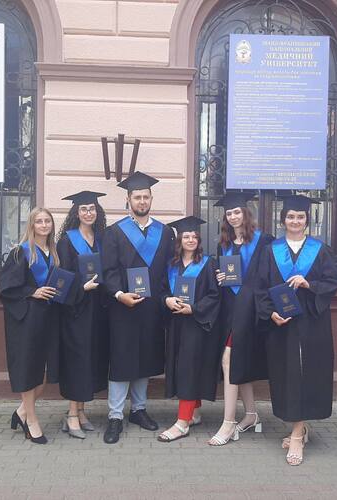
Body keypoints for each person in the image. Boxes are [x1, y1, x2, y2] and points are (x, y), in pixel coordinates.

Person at [256, 194, 337, 465]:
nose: (295, 221)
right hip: (282, 323)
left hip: (311, 322)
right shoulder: (270, 251)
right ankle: (299, 427)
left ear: (307, 220)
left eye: (300, 217)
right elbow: (259, 287)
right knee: (287, 373)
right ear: (283, 220)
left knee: (307, 372)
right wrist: (270, 313)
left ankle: (296, 434)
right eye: (291, 216)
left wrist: (309, 284)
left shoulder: (320, 249)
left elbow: (333, 281)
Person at [101, 171, 174, 444]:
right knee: (121, 359)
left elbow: (168, 271)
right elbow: (108, 270)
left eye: (146, 197)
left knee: (145, 358)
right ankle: (115, 416)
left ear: (151, 199)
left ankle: (139, 410)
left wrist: (167, 297)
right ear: (128, 200)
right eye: (137, 197)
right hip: (123, 306)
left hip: (152, 307)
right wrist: (119, 294)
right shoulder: (114, 232)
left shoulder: (165, 233)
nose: (142, 201)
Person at [209, 192, 274, 446]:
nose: (233, 216)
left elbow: (268, 276)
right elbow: (225, 276)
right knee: (238, 361)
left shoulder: (264, 241)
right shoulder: (224, 244)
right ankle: (251, 415)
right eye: (229, 213)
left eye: (237, 212)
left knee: (229, 360)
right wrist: (221, 278)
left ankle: (228, 423)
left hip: (251, 308)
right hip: (229, 308)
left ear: (246, 213)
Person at [0, 207, 60, 444]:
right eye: (39, 221)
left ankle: (21, 411)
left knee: (43, 373)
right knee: (29, 370)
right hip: (27, 319)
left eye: (47, 221)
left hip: (48, 318)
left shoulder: (53, 252)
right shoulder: (20, 252)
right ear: (32, 225)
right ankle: (31, 421)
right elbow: (5, 286)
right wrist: (33, 291)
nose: (44, 225)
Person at [157, 216, 221, 442]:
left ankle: (182, 423)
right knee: (183, 366)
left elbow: (214, 296)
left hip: (196, 324)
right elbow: (162, 291)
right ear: (180, 240)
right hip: (176, 324)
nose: (191, 240)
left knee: (188, 369)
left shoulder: (209, 264)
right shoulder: (171, 265)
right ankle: (194, 413)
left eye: (194, 236)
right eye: (186, 236)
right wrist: (167, 300)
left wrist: (193, 309)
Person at [56, 191, 110, 439]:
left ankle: (81, 411)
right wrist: (81, 287)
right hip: (75, 311)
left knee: (89, 359)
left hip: (96, 310)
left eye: (92, 209)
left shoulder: (101, 239)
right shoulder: (67, 241)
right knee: (77, 360)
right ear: (76, 213)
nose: (89, 213)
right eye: (84, 209)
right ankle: (71, 414)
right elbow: (61, 280)